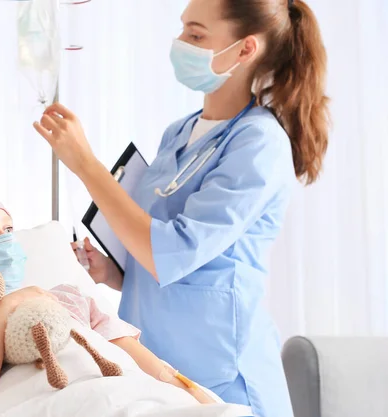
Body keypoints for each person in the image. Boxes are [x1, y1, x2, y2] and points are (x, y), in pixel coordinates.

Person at [33, 0, 329, 415]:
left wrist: (85, 163)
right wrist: (119, 272)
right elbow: (170, 260)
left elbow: (171, 250)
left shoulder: (259, 143)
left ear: (245, 50)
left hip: (223, 376)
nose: (179, 43)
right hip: (158, 366)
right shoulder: (180, 133)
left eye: (196, 35)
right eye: (182, 31)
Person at [0, 179, 216, 411]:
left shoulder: (67, 297)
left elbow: (153, 369)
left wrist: (195, 397)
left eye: (7, 230)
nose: (3, 242)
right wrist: (6, 307)